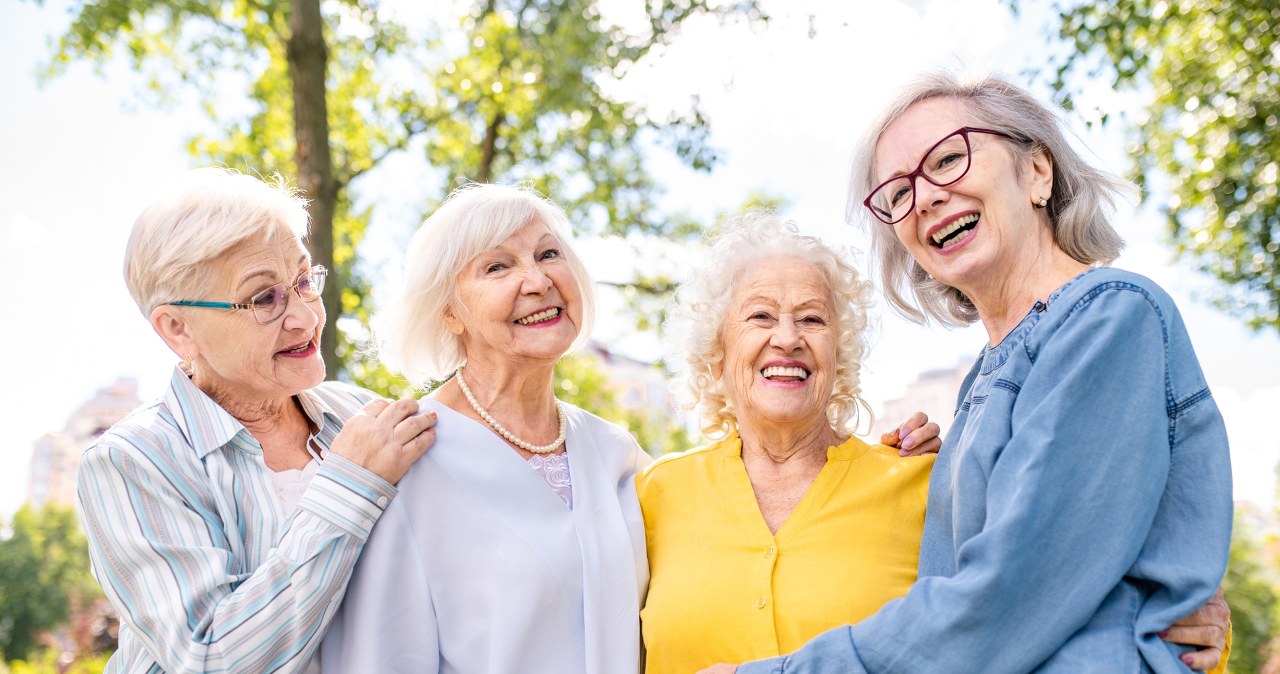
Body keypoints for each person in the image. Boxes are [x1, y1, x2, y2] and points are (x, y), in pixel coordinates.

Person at [712, 71, 1233, 673]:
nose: (926, 196)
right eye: (898, 192)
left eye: (950, 158)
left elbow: (1016, 589)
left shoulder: (1110, 316)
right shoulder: (984, 380)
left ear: (1037, 171)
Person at [643, 214, 1230, 674]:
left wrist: (1164, 609)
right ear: (716, 355)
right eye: (760, 317)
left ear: (840, 355)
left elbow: (1031, 594)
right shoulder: (649, 496)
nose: (788, 339)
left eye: (813, 320)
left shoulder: (924, 485)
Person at [76, 168, 437, 674]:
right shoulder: (131, 461)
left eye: (304, 280)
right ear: (178, 329)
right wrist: (350, 487)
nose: (307, 317)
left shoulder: (362, 416)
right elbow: (211, 657)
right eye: (265, 298)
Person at [320, 183, 652, 673]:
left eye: (548, 254)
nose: (538, 281)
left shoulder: (615, 454)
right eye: (497, 266)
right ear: (450, 313)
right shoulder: (406, 458)